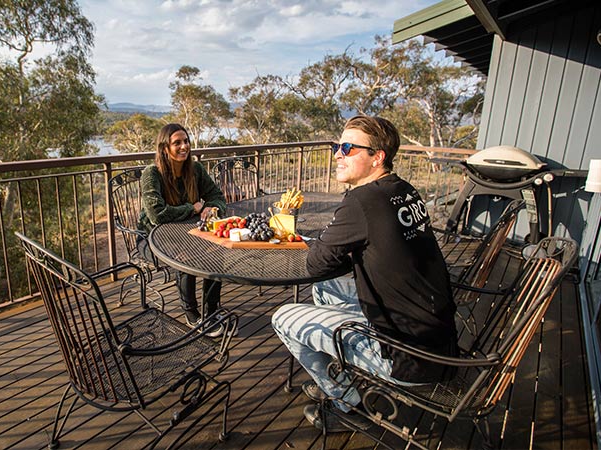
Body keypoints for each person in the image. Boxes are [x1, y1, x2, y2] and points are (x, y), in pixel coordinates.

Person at [271, 115, 458, 432]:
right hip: (438, 339)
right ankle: (336, 369)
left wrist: (334, 243)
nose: (337, 154)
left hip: (406, 357)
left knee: (283, 318)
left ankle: (348, 404)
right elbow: (365, 253)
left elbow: (315, 263)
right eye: (336, 146)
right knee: (325, 288)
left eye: (347, 147)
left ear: (377, 157)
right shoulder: (402, 189)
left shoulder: (362, 200)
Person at [138, 123, 228, 337]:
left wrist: (212, 208)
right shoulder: (152, 174)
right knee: (185, 257)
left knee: (217, 250)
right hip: (151, 239)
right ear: (164, 147)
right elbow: (157, 215)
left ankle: (211, 310)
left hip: (187, 232)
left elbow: (217, 196)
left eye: (186, 141)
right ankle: (191, 314)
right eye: (176, 142)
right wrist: (193, 207)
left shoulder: (195, 169)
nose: (183, 146)